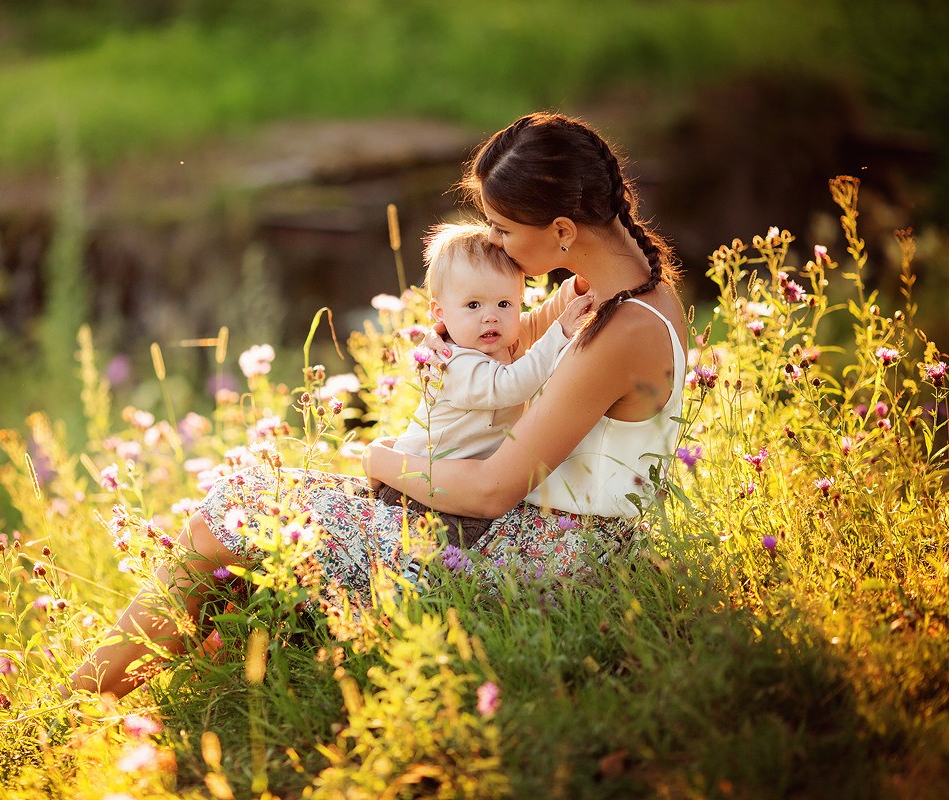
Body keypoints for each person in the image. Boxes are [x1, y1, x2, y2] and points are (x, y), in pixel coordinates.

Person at [65, 111, 685, 699]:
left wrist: (380, 462)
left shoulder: (623, 326)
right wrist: (450, 337)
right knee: (252, 498)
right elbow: (514, 343)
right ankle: (157, 691)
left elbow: (492, 490)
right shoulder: (614, 287)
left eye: (502, 229)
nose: (495, 244)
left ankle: (70, 708)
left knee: (229, 516)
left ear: (562, 231)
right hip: (518, 531)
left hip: (547, 560)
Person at [378, 222, 593, 553]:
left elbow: (536, 322)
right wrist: (560, 333)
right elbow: (510, 386)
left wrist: (578, 290)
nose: (490, 317)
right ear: (440, 312)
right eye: (473, 305)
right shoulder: (454, 362)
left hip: (457, 485)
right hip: (419, 489)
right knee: (432, 559)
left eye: (504, 304)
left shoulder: (495, 342)